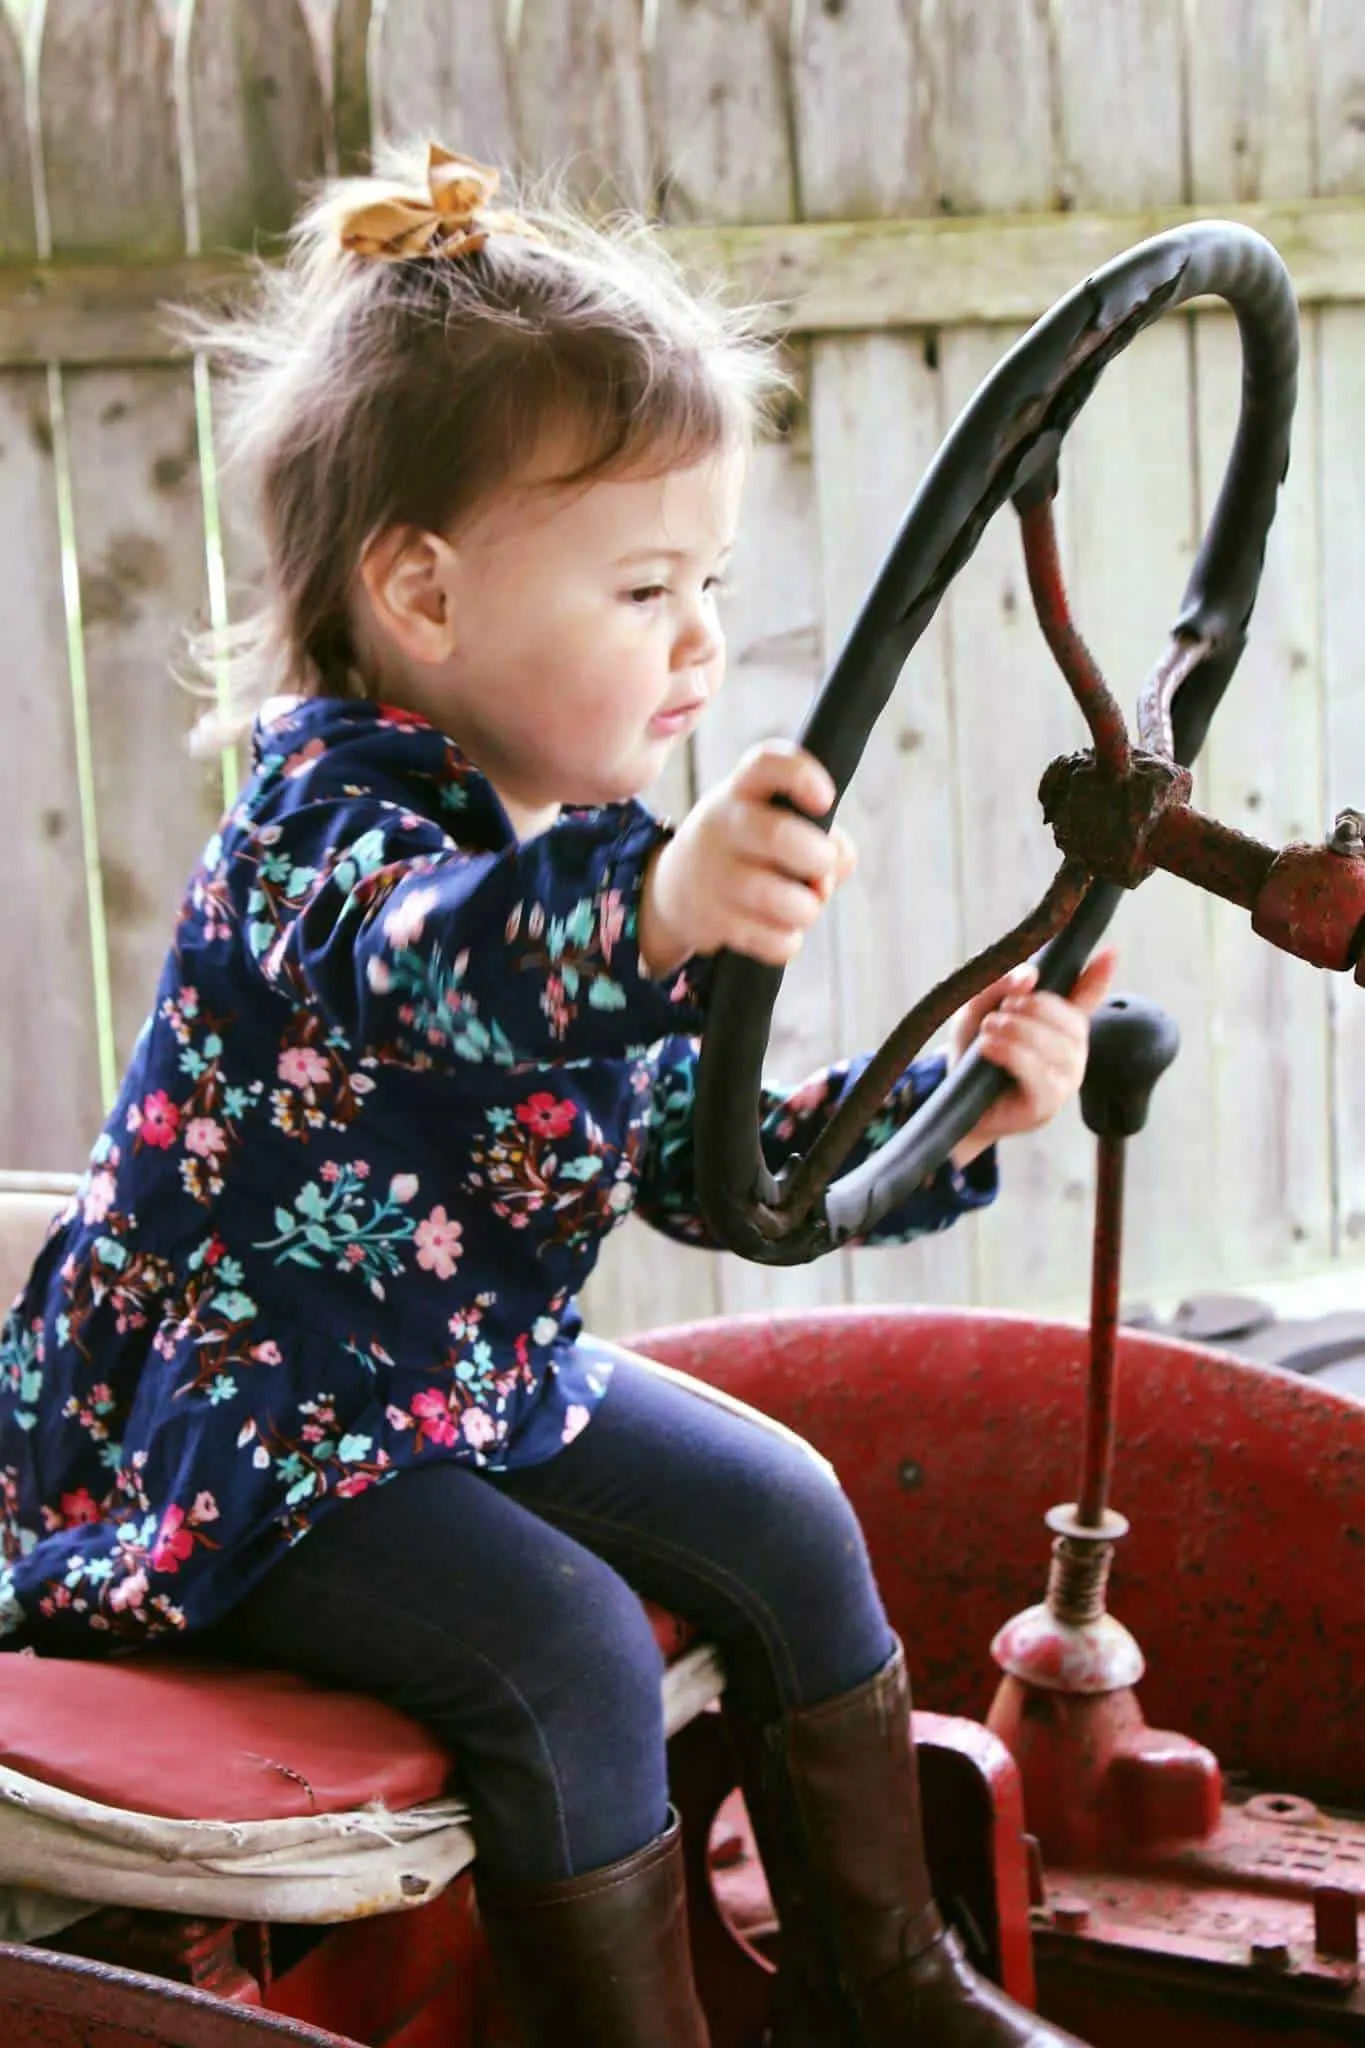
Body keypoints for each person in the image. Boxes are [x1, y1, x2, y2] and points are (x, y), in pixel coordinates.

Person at [0, 143, 1113, 2045]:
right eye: (642, 586)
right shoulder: (325, 837)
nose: (698, 640)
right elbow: (450, 965)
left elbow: (702, 1153)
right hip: (261, 1425)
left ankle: (891, 1993)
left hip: (461, 1386)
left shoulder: (583, 836)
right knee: (572, 1646)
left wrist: (945, 1116)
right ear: (423, 593)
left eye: (713, 584)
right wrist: (665, 907)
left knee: (791, 1507)